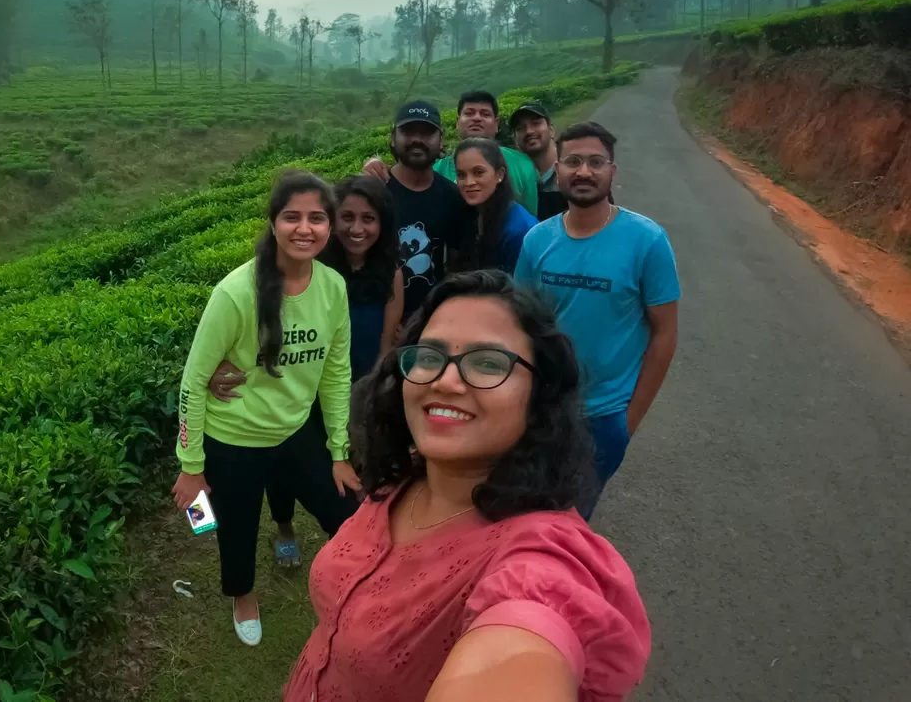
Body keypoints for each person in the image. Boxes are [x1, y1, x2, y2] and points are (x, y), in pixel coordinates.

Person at [282, 271, 651, 702]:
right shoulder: (408, 477)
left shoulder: (537, 563)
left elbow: (526, 642)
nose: (445, 381)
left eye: (489, 363)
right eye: (430, 356)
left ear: (539, 397)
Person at [172, 170, 361, 647]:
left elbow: (337, 371)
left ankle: (347, 586)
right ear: (273, 223)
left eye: (317, 218)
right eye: (292, 216)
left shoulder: (333, 286)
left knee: (347, 516)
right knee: (231, 529)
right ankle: (243, 596)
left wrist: (338, 450)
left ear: (330, 225)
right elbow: (194, 381)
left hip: (296, 431)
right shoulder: (235, 294)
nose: (305, 228)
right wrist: (191, 467)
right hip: (233, 440)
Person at [209, 174, 405, 567]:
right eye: (346, 217)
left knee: (346, 480)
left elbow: (385, 346)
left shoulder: (390, 274)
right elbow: (254, 326)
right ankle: (284, 530)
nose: (357, 228)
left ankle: (354, 559)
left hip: (353, 391)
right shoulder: (305, 263)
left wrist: (368, 403)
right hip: (297, 392)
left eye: (368, 218)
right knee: (281, 473)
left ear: (382, 224)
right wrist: (218, 370)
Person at [513, 122, 680, 519]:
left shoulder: (647, 240)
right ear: (558, 169)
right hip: (543, 408)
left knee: (568, 522)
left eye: (595, 162)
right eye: (572, 161)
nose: (583, 172)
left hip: (605, 416)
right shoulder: (537, 240)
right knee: (523, 512)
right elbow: (520, 326)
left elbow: (665, 333)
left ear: (612, 171)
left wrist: (630, 419)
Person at [364, 91, 539, 214]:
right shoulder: (437, 169)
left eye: (485, 114)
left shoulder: (523, 163)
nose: (476, 118)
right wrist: (375, 165)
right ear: (457, 122)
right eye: (469, 113)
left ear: (497, 124)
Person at [375, 100, 467, 320]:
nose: (417, 139)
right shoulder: (374, 190)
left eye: (426, 133)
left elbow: (456, 266)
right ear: (393, 138)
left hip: (430, 319)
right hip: (376, 316)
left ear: (441, 140)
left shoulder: (453, 196)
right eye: (408, 132)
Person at [450, 139, 539, 275]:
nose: (469, 182)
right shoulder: (468, 216)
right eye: (461, 175)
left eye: (478, 172)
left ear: (500, 175)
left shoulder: (520, 230)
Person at [510, 100, 568, 221]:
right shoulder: (515, 181)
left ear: (551, 130)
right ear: (515, 139)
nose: (529, 131)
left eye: (536, 123)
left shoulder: (572, 172)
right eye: (520, 128)